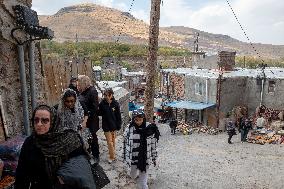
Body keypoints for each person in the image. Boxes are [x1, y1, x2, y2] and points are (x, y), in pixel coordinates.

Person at [15, 105, 94, 189]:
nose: (39, 124)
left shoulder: (70, 140)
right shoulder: (30, 142)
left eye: (44, 121)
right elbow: (22, 174)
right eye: (36, 120)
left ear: (53, 121)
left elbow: (81, 168)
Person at [123, 109, 160, 189]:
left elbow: (153, 145)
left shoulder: (150, 129)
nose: (138, 122)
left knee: (143, 182)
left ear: (143, 118)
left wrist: (155, 158)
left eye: (140, 120)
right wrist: (125, 157)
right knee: (132, 175)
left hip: (144, 159)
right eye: (136, 120)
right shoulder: (129, 128)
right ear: (133, 119)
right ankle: (135, 177)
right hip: (133, 158)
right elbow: (125, 144)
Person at [77, 75, 100, 162]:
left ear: (83, 83)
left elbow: (95, 107)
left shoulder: (92, 91)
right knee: (86, 136)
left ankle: (96, 155)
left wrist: (87, 113)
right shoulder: (83, 91)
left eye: (79, 84)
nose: (78, 86)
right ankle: (88, 151)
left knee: (93, 137)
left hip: (91, 119)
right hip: (84, 118)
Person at [98, 88, 122, 163]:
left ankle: (112, 153)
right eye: (105, 95)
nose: (106, 97)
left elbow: (118, 116)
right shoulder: (102, 104)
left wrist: (119, 125)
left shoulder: (115, 104)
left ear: (111, 95)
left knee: (113, 141)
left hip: (113, 126)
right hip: (106, 126)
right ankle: (112, 157)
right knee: (109, 142)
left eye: (107, 95)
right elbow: (99, 113)